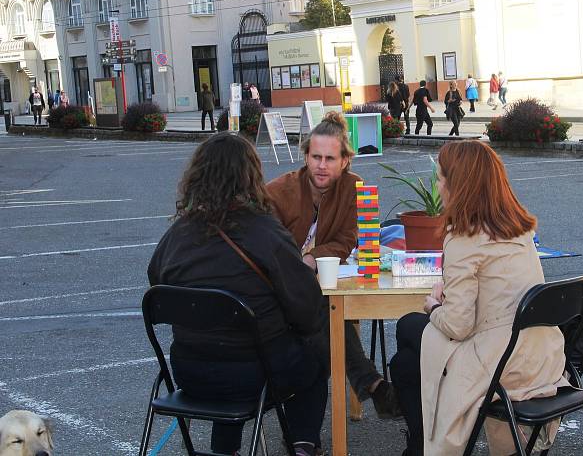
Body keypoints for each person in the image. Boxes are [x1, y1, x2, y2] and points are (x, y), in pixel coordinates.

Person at [147, 133, 327, 456]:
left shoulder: (177, 236)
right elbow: (308, 311)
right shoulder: (265, 232)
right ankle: (302, 446)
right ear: (251, 177)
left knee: (229, 343)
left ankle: (224, 451)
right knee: (317, 350)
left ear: (197, 177)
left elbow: (156, 282)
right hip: (254, 374)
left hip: (190, 371)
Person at [390, 141, 568, 456]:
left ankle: (421, 444)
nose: (439, 184)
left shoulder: (464, 237)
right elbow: (496, 290)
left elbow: (458, 325)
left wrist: (434, 307)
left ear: (458, 186)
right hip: (540, 355)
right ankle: (419, 444)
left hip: (500, 362)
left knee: (407, 328)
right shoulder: (517, 228)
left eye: (442, 178)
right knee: (405, 363)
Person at [265, 112, 400, 418]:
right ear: (306, 156)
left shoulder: (354, 187)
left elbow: (348, 238)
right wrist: (298, 265)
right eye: (315, 157)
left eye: (329, 158)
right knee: (322, 311)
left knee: (326, 307)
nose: (321, 165)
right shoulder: (278, 191)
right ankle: (374, 385)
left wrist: (313, 258)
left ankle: (370, 387)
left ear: (344, 161)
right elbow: (268, 245)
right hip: (280, 289)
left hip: (318, 283)